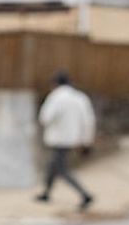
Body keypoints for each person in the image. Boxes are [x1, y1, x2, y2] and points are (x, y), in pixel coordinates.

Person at [36, 71, 96, 211]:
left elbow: (45, 118)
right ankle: (46, 193)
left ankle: (85, 195)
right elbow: (88, 121)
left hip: (58, 139)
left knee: (61, 169)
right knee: (52, 166)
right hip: (73, 139)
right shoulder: (80, 97)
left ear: (55, 83)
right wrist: (86, 141)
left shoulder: (56, 97)